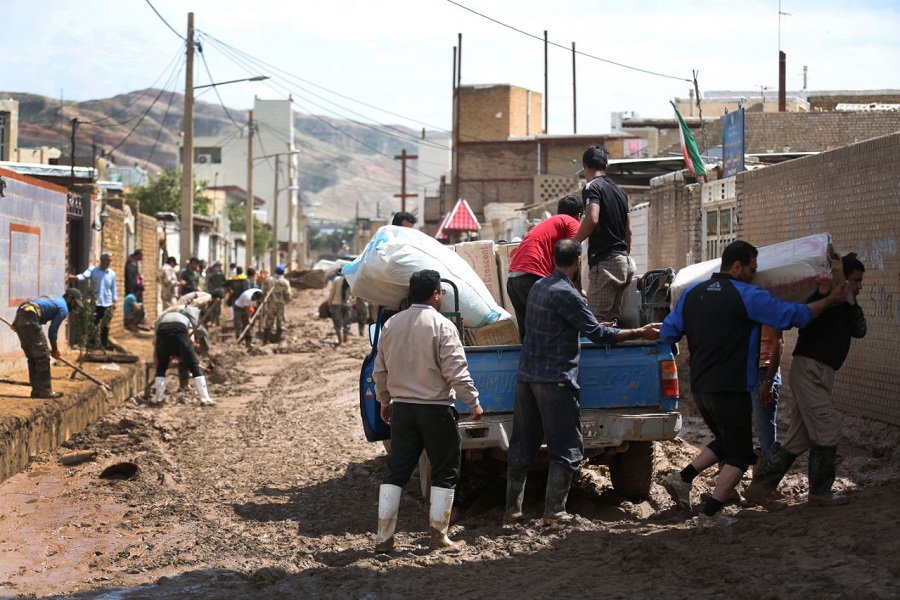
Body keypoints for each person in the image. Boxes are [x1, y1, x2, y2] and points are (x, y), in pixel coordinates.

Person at [659, 240, 850, 527]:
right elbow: (792, 316)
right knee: (741, 455)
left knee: (726, 440)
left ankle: (682, 478)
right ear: (737, 267)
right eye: (752, 268)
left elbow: (668, 334)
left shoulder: (691, 295)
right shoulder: (748, 295)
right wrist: (829, 300)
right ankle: (710, 513)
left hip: (700, 388)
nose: (754, 273)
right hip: (731, 387)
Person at [504, 239, 661, 525]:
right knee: (565, 446)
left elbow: (564, 323)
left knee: (522, 445)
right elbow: (599, 336)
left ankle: (512, 512)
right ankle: (554, 512)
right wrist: (640, 331)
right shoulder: (568, 294)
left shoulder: (539, 287)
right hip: (556, 380)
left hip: (527, 377)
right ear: (578, 262)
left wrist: (596, 325)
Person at [373, 269, 483, 552]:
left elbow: (380, 370)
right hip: (436, 410)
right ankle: (438, 536)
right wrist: (472, 401)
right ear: (436, 294)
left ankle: (384, 539)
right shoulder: (443, 326)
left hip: (402, 411)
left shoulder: (392, 324)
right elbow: (456, 371)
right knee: (445, 471)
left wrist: (385, 401)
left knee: (396, 471)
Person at [745, 253, 866, 508]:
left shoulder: (846, 304)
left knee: (797, 439)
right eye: (855, 281)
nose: (859, 285)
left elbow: (860, 331)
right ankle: (820, 492)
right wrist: (825, 293)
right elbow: (806, 315)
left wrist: (850, 299)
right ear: (842, 279)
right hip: (809, 371)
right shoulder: (821, 298)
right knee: (828, 426)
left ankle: (759, 488)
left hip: (820, 374)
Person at [506, 195, 584, 339]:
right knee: (551, 328)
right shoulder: (572, 223)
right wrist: (577, 290)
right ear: (579, 215)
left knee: (527, 334)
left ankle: (527, 361)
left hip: (513, 278)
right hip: (532, 277)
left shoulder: (550, 223)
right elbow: (572, 256)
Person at [574, 144, 635, 323]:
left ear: (584, 165)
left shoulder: (592, 187)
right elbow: (628, 231)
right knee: (611, 323)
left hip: (606, 263)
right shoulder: (621, 192)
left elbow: (592, 218)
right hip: (625, 263)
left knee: (594, 323)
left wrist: (573, 242)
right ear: (606, 166)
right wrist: (623, 255)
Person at [11, 288, 83, 398]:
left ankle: (36, 391)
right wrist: (54, 349)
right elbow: (52, 331)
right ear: (69, 298)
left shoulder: (55, 298)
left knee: (33, 357)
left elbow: (26, 304)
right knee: (43, 356)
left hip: (22, 316)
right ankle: (45, 391)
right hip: (30, 318)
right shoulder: (63, 308)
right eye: (75, 303)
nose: (75, 307)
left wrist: (16, 322)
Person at [153, 304, 214, 406]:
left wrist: (160, 361)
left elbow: (155, 344)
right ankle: (205, 398)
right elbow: (191, 340)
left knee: (161, 368)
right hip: (181, 333)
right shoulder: (186, 318)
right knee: (194, 367)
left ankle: (159, 400)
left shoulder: (161, 320)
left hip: (162, 337)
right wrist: (186, 354)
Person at [69, 252, 117, 350]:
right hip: (96, 303)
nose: (108, 262)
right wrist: (75, 277)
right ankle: (91, 344)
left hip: (107, 302)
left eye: (109, 260)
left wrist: (114, 301)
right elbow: (84, 276)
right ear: (102, 260)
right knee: (93, 323)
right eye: (107, 260)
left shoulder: (112, 273)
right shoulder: (93, 270)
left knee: (105, 325)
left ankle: (103, 344)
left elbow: (113, 288)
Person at [753, 325, 784, 453]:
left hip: (763, 372)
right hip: (747, 370)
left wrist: (768, 380)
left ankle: (767, 470)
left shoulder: (769, 307)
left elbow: (779, 343)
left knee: (765, 430)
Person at [262, 265, 292, 344]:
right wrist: (287, 301)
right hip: (281, 305)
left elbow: (263, 291)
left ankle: (265, 341)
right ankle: (278, 341)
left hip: (270, 304)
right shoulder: (285, 282)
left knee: (268, 321)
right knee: (280, 321)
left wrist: (265, 299)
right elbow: (288, 295)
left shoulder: (268, 280)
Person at [329, 274, 353, 344]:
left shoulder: (337, 279)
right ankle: (345, 340)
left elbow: (332, 292)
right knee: (347, 322)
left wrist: (330, 302)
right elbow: (354, 294)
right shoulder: (352, 280)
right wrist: (352, 301)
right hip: (348, 304)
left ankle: (340, 341)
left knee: (337, 322)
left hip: (336, 303)